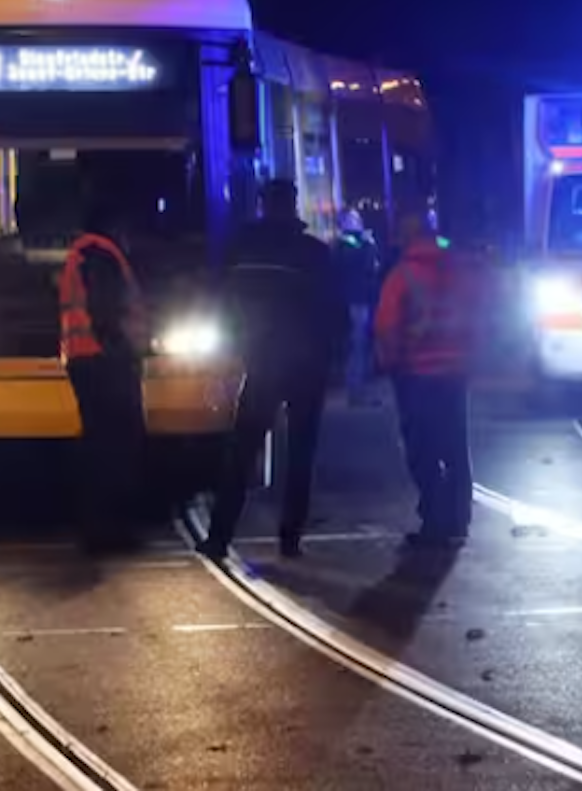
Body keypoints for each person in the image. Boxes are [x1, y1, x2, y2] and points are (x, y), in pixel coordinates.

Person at [201, 178, 349, 560]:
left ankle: (219, 537)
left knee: (241, 450)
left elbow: (218, 299)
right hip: (308, 363)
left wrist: (233, 345)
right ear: (293, 205)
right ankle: (290, 538)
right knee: (301, 453)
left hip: (263, 360)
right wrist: (338, 360)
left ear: (262, 204)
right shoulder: (313, 253)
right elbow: (336, 310)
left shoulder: (241, 248)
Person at [375, 210, 481, 548]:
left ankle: (435, 519)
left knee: (422, 449)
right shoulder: (459, 270)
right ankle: (459, 518)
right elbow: (481, 312)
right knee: (455, 447)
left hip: (417, 374)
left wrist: (388, 363)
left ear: (407, 237)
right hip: (456, 372)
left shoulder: (402, 276)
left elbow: (386, 327)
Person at [59, 200, 150, 553]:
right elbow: (105, 307)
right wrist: (121, 349)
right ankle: (110, 531)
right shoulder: (100, 253)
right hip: (104, 362)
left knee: (99, 446)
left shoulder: (82, 253)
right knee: (117, 448)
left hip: (86, 360)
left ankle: (98, 529)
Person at [334, 209, 384, 406]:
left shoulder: (353, 244)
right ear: (345, 223)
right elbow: (365, 264)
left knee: (360, 345)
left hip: (360, 299)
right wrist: (368, 244)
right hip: (355, 301)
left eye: (358, 218)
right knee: (357, 346)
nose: (358, 222)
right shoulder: (347, 245)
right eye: (353, 219)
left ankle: (358, 390)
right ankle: (356, 392)